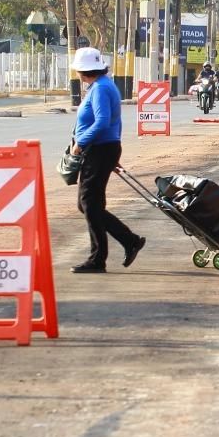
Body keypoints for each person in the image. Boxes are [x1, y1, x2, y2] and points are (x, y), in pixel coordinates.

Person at [69, 46, 146, 274]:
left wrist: (80, 142)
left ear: (84, 71)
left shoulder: (101, 88)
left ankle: (98, 259)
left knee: (89, 205)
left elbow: (103, 121)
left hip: (99, 150)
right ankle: (128, 240)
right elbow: (114, 122)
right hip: (104, 149)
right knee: (87, 205)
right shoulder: (102, 85)